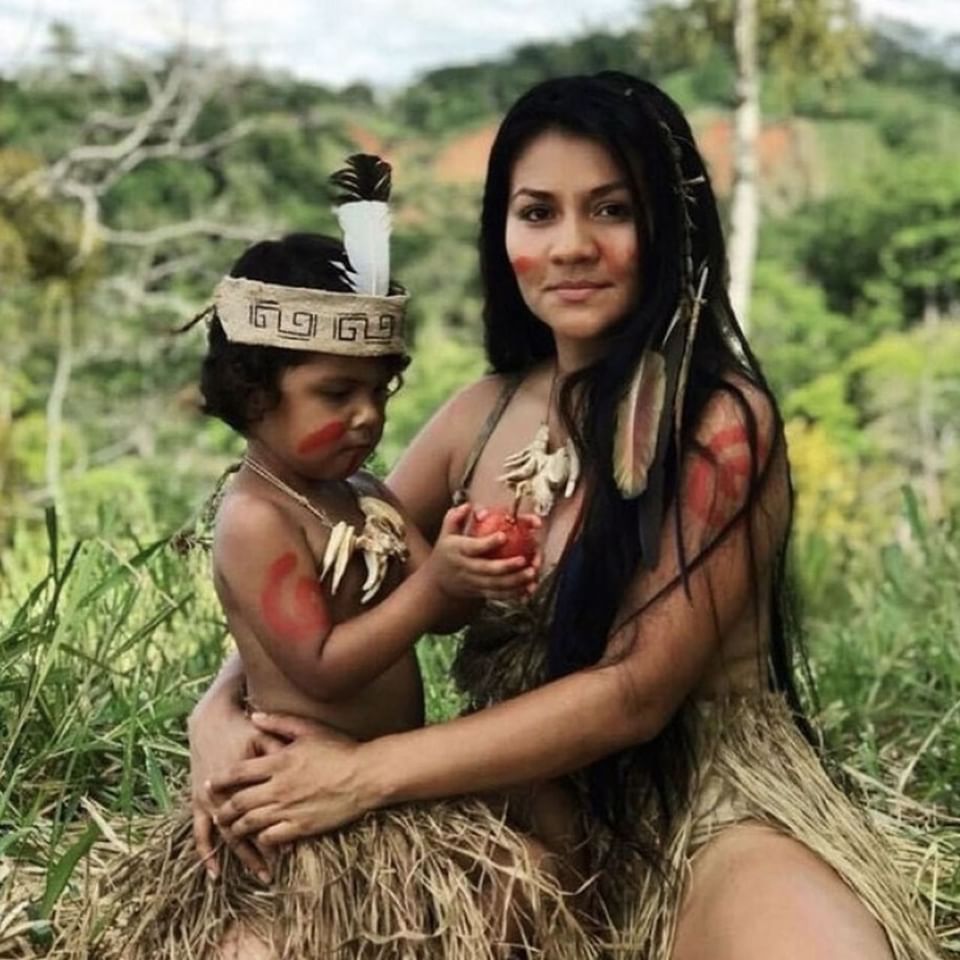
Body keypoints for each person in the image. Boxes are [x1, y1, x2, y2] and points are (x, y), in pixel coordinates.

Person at [193, 75, 943, 959]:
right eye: (538, 213)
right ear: (501, 233)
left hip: (698, 812)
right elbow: (346, 573)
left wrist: (362, 775)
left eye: (611, 210)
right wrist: (216, 710)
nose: (572, 246)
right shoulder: (480, 415)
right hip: (503, 816)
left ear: (667, 227)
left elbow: (635, 693)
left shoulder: (719, 423)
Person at [59, 157, 597, 960]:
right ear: (253, 392)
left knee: (536, 870)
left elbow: (442, 610)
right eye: (336, 395)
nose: (368, 417)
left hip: (382, 788)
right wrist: (434, 589)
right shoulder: (255, 521)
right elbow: (319, 669)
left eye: (381, 392)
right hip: (304, 801)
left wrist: (473, 567)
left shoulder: (364, 490)